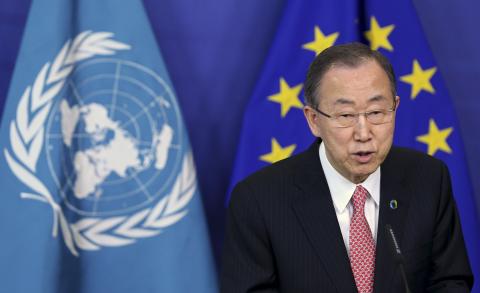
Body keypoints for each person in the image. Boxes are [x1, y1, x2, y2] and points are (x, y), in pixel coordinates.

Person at [220, 42, 473, 293]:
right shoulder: (259, 200)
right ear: (314, 120)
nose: (363, 133)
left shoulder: (428, 178)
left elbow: (450, 281)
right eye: (345, 116)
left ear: (395, 107)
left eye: (376, 112)